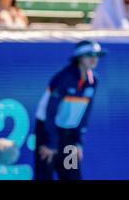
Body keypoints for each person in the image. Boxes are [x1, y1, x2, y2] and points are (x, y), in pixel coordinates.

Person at [34, 40, 106, 180]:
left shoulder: (93, 81)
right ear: (79, 57)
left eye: (97, 55)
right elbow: (50, 112)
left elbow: (85, 114)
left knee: (71, 175)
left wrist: (78, 142)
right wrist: (52, 142)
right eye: (89, 54)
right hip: (48, 132)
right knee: (44, 176)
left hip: (69, 136)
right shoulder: (65, 77)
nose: (94, 58)